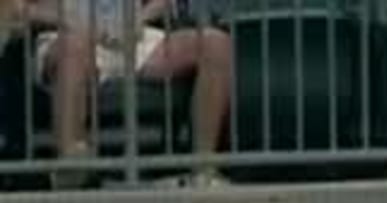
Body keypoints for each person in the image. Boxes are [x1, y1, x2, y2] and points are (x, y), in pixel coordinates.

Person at [32, 0, 236, 185]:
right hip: (68, 34)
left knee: (215, 43)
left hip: (131, 38)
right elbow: (14, 10)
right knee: (73, 48)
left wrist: (140, 18)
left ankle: (203, 167)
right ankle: (72, 163)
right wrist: (65, 19)